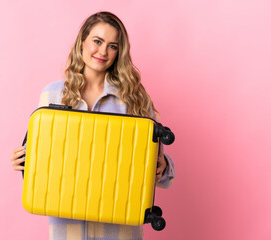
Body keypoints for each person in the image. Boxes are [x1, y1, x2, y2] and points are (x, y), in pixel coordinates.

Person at [10, 11, 175, 240]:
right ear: (83, 42)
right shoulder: (53, 94)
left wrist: (163, 166)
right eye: (97, 41)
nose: (103, 52)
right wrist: (24, 161)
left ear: (119, 53)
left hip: (119, 232)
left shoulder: (135, 100)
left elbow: (161, 174)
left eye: (112, 46)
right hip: (68, 230)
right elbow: (45, 164)